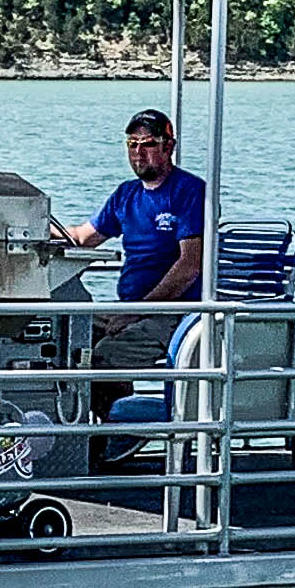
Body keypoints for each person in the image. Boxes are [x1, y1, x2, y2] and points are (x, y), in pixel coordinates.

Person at [68, 111, 209, 438]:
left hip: (176, 314)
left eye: (148, 144)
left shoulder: (189, 192)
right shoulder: (126, 194)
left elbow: (189, 267)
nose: (138, 153)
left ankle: (108, 438)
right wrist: (35, 229)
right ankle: (76, 432)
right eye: (132, 145)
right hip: (128, 308)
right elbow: (82, 238)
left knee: (103, 360)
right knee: (65, 336)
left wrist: (135, 312)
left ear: (168, 145)